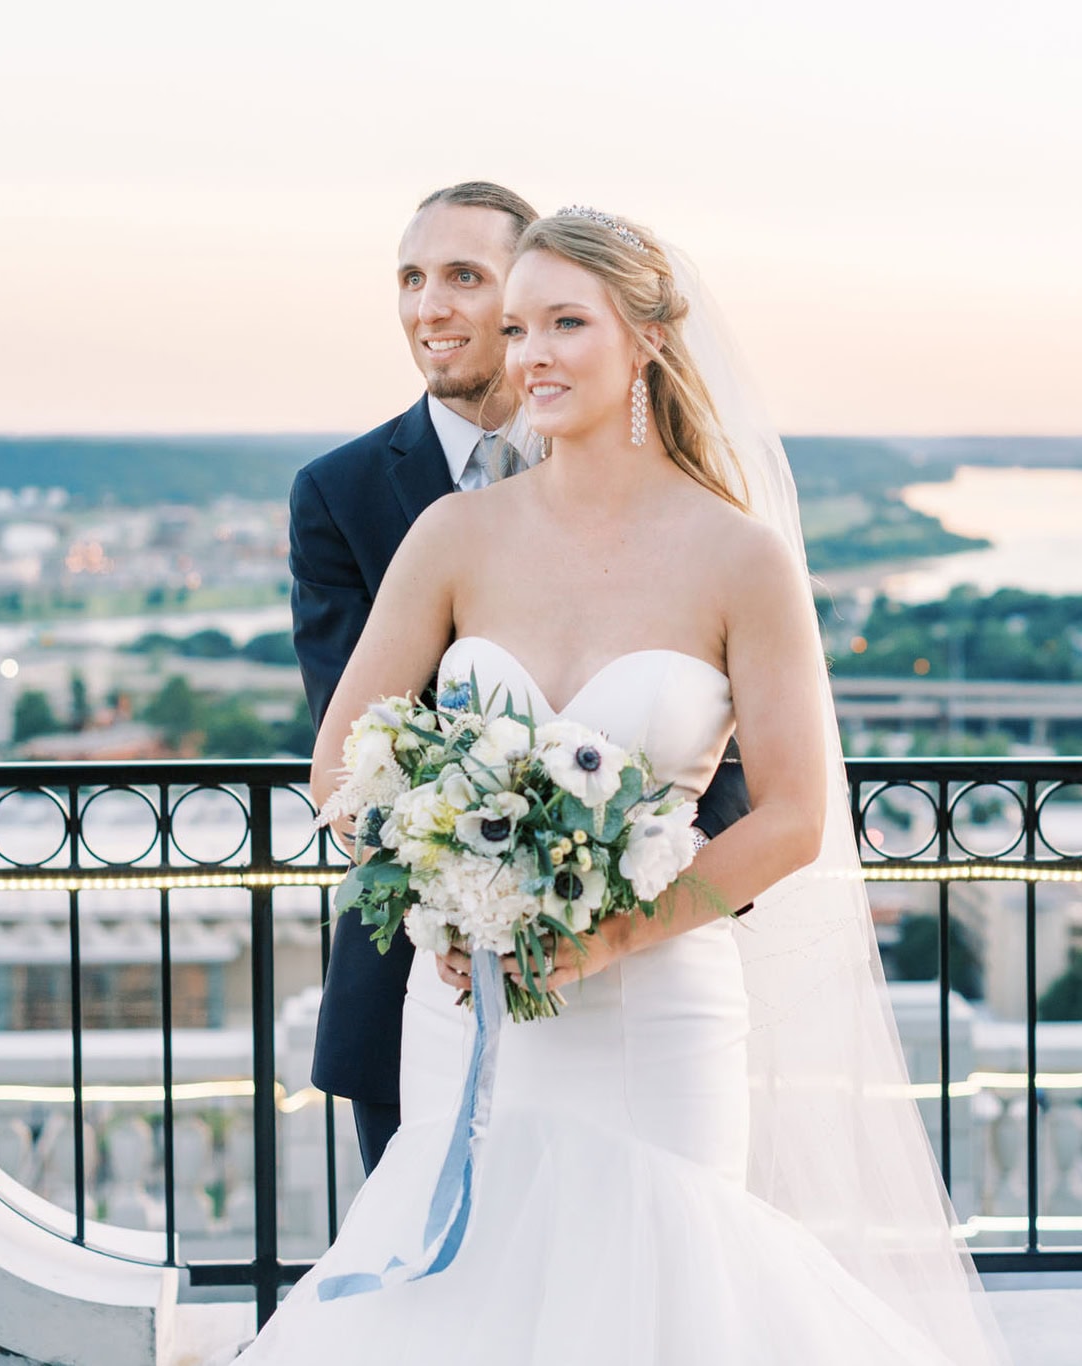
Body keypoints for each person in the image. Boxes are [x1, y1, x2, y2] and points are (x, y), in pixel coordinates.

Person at [240, 206, 1008, 1363]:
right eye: (516, 327)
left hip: (659, 1024)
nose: (530, 352)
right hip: (465, 1010)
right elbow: (341, 768)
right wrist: (452, 892)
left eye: (564, 322)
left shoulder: (740, 556)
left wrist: (609, 936)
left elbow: (796, 816)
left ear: (646, 337)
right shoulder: (453, 535)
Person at [289, 182, 750, 1175]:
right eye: (411, 278)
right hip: (436, 983)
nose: (431, 307)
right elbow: (355, 752)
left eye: (466, 277)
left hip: (648, 989)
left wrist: (614, 904)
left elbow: (742, 771)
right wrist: (462, 901)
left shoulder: (717, 547)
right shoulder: (353, 499)